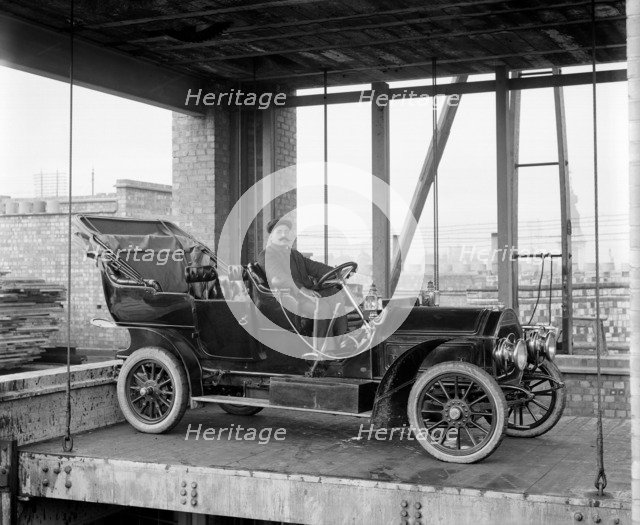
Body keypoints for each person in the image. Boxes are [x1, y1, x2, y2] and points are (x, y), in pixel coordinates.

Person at [256, 218, 348, 340]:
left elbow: (315, 267)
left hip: (305, 294)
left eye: (286, 232)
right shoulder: (267, 255)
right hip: (286, 297)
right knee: (322, 307)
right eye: (279, 232)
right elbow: (278, 277)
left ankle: (341, 341)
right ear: (271, 237)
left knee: (336, 296)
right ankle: (321, 352)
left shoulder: (295, 254)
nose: (283, 235)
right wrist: (302, 289)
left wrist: (338, 272)